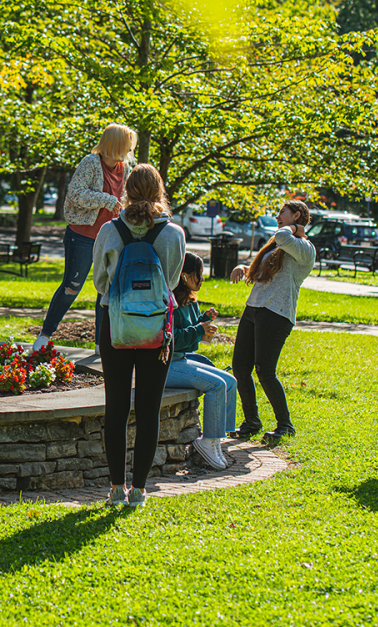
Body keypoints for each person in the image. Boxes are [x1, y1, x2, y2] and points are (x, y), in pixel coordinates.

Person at [93, 164, 185, 508]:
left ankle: (116, 487)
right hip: (157, 327)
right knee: (149, 409)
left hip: (114, 323)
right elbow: (172, 282)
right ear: (160, 191)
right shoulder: (173, 234)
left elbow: (101, 281)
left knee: (115, 406)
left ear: (126, 191)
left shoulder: (110, 230)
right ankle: (140, 491)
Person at [33, 123, 136, 353]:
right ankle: (45, 334)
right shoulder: (91, 163)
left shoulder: (125, 167)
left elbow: (127, 197)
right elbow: (76, 193)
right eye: (126, 146)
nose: (129, 150)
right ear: (115, 144)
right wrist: (108, 200)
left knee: (105, 290)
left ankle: (101, 345)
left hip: (110, 236)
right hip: (82, 235)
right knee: (72, 286)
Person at [227, 201, 315, 443]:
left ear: (296, 215)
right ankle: (252, 421)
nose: (277, 217)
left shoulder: (305, 248)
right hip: (254, 308)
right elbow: (265, 272)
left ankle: (285, 425)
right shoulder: (278, 243)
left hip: (276, 313)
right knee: (240, 368)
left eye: (282, 213)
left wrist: (296, 229)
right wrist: (245, 268)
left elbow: (284, 237)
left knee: (265, 371)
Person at [165, 252, 237, 471]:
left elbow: (191, 330)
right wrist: (199, 329)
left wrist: (203, 321)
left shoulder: (190, 300)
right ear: (185, 276)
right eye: (199, 274)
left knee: (230, 382)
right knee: (217, 385)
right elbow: (171, 338)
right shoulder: (170, 302)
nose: (203, 279)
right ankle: (208, 442)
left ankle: (216, 440)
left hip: (182, 359)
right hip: (167, 365)